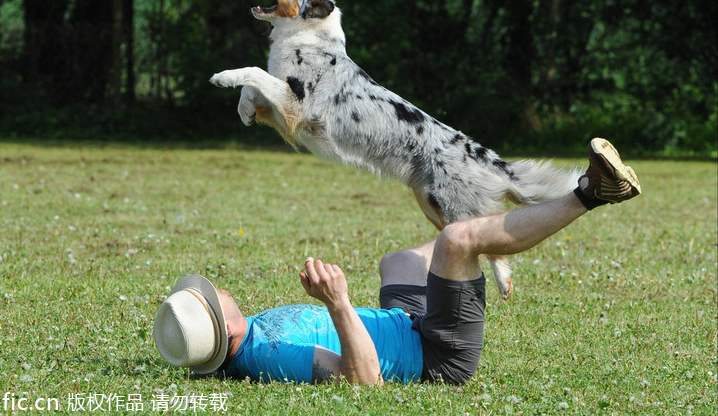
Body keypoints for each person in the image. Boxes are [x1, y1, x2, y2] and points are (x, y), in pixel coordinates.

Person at [153, 138, 641, 384]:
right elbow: (364, 381)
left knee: (399, 259)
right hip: (436, 355)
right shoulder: (271, 357)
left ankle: (496, 237)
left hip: (405, 321)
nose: (215, 287)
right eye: (209, 297)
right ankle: (593, 193)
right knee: (453, 239)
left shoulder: (249, 340)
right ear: (222, 326)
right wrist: (339, 303)